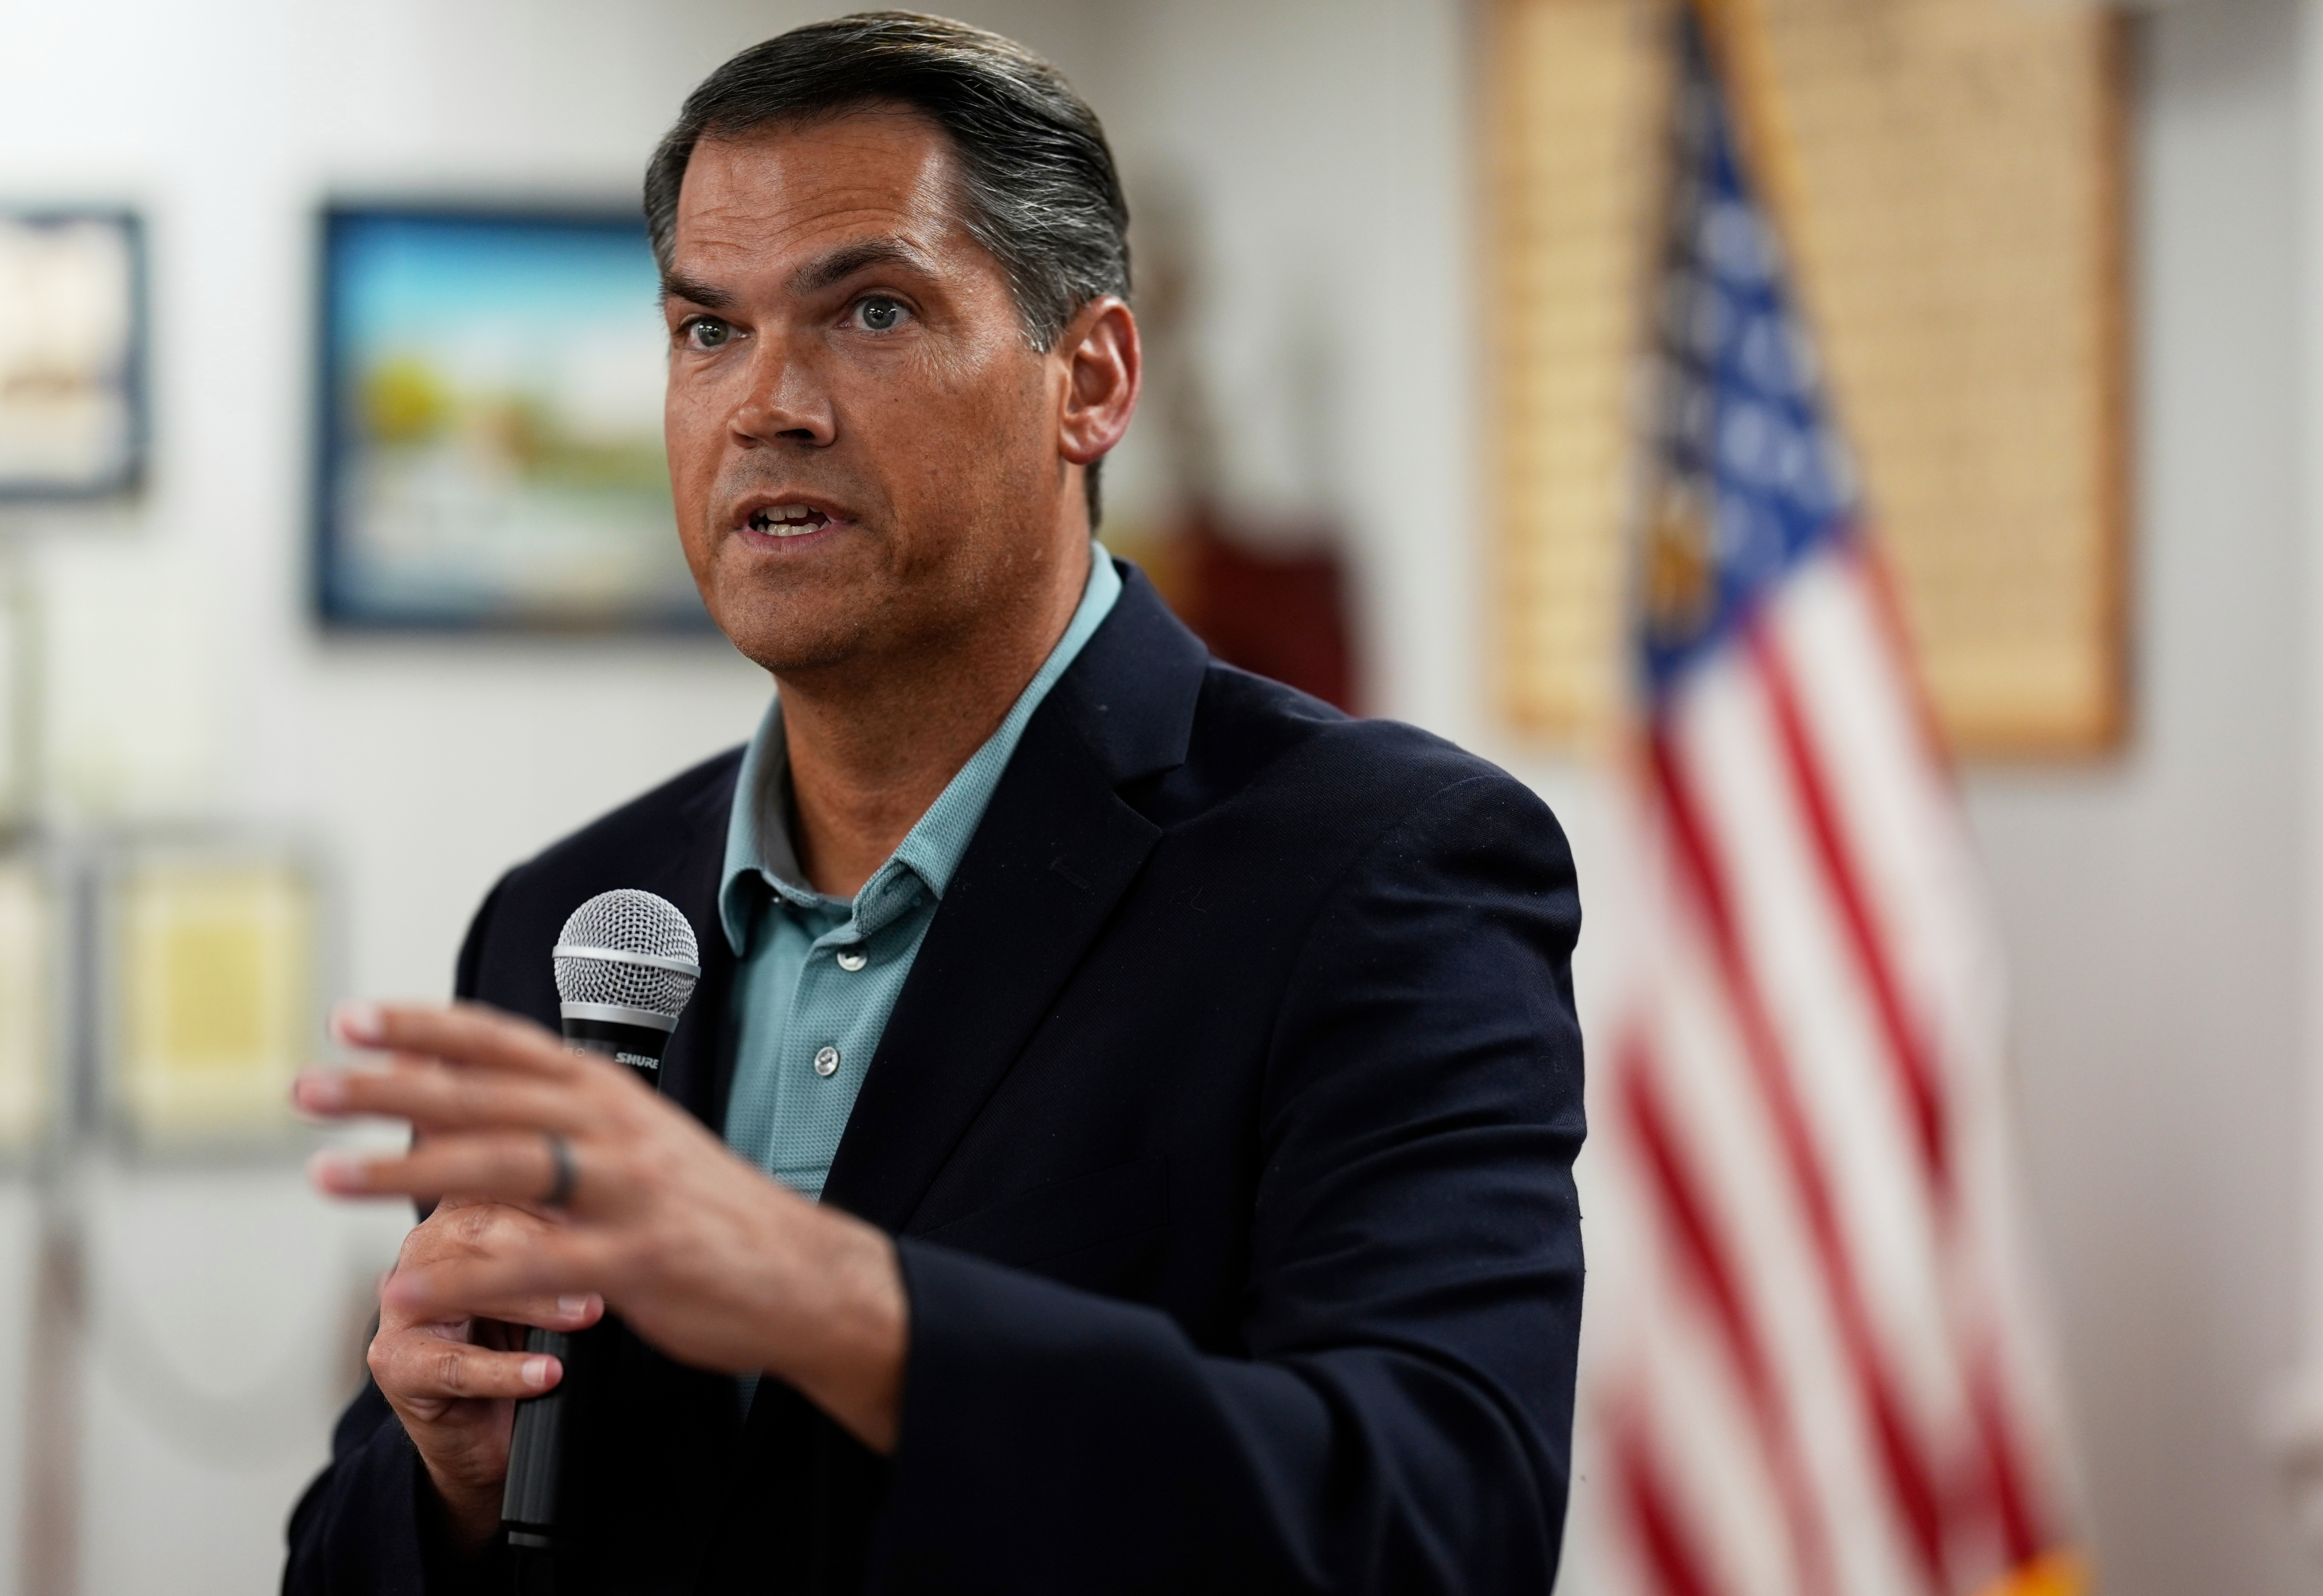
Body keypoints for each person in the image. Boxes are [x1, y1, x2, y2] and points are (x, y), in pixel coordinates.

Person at [282, 13, 1584, 1594]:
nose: (769, 404)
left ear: (1090, 379)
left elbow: (1436, 1528)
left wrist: (825, 1296)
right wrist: (451, 1481)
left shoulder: (1385, 868)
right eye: (708, 332)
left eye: (873, 312)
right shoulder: (568, 918)